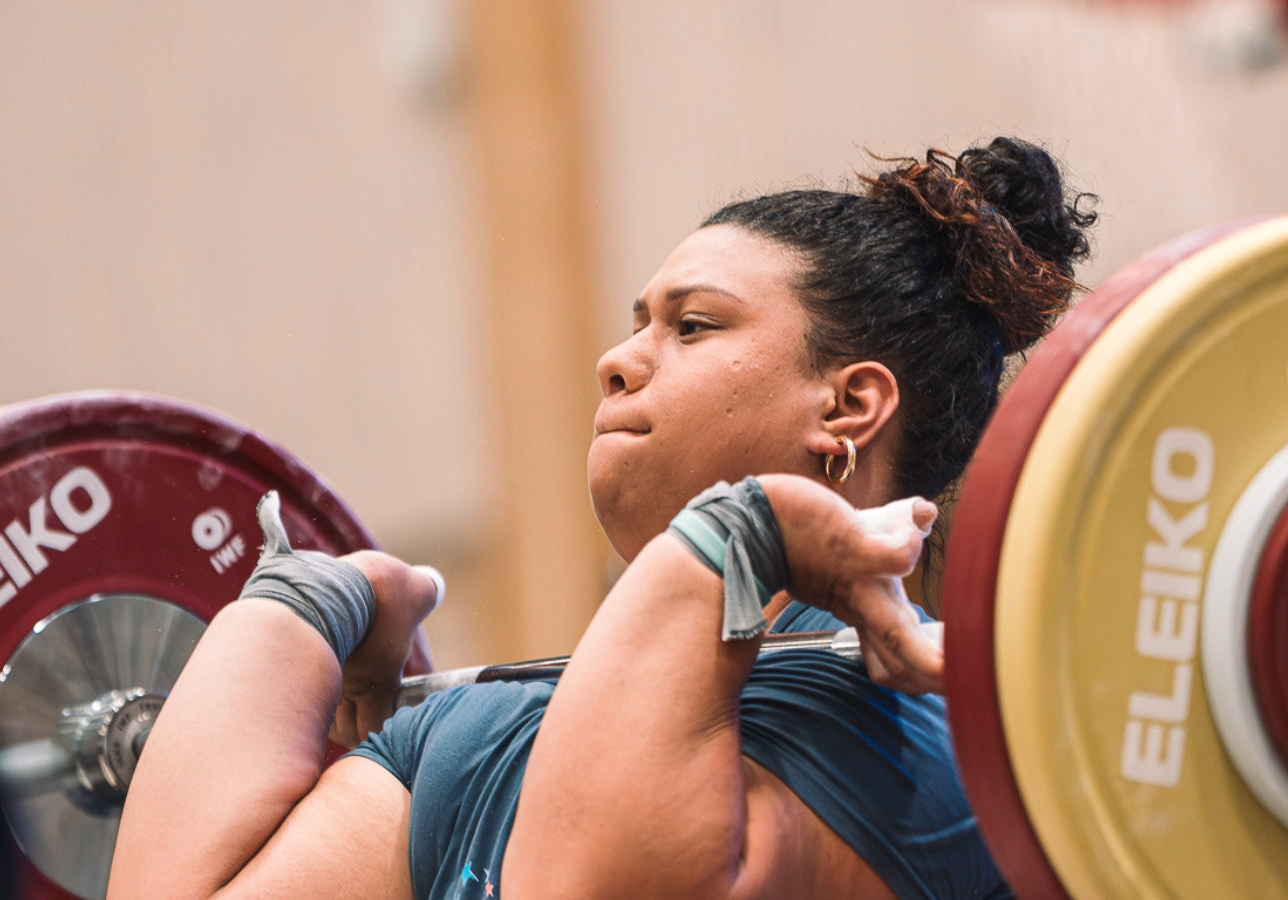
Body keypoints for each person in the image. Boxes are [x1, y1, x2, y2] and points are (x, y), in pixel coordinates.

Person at [109, 136, 1095, 900]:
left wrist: (731, 543)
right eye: (636, 326)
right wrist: (310, 601)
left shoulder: (926, 731)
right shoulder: (481, 730)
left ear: (845, 408)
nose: (619, 361)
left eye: (692, 325)